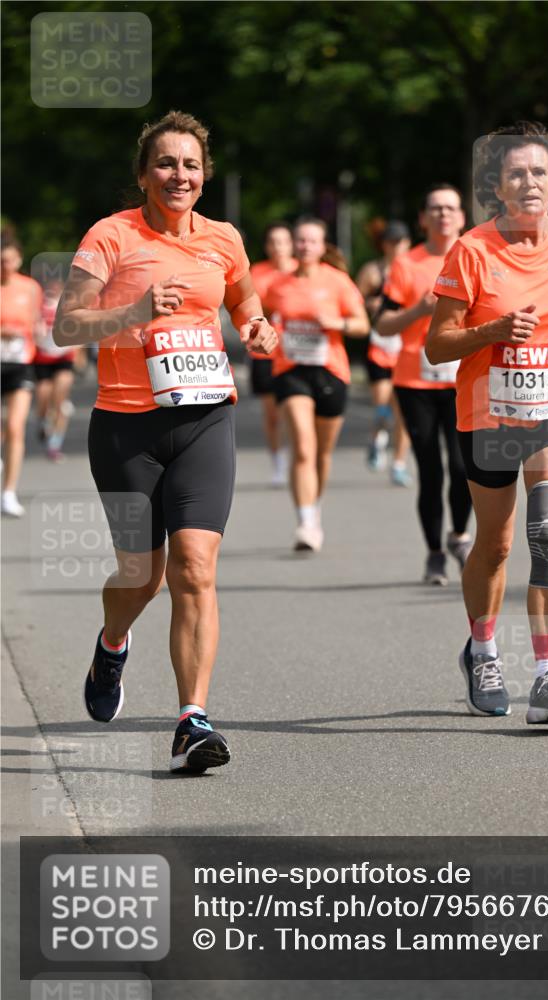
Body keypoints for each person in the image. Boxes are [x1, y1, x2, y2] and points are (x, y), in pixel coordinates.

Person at [53, 110, 277, 771]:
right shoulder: (111, 236)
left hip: (205, 417)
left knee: (194, 570)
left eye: (190, 165)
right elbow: (68, 326)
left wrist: (259, 329)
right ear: (144, 174)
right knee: (140, 575)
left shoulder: (224, 239)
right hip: (126, 426)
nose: (178, 175)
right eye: (165, 164)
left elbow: (246, 303)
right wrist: (137, 311)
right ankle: (112, 644)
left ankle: (192, 719)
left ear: (204, 176)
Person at [426, 121, 548, 724]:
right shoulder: (473, 250)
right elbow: (437, 344)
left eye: (539, 172)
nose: (529, 182)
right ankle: (482, 650)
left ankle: (547, 678)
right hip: (490, 411)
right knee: (497, 541)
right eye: (516, 174)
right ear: (498, 189)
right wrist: (491, 332)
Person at [376, 185, 473, 586]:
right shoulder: (407, 264)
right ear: (422, 218)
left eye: (450, 208)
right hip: (415, 380)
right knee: (430, 469)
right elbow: (382, 325)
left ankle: (460, 536)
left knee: (464, 465)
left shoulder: (476, 256)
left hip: (463, 378)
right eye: (434, 208)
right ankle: (434, 553)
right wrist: (419, 309)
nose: (443, 215)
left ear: (462, 216)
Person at [264, 218, 370, 552]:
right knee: (304, 447)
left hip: (330, 372)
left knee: (322, 455)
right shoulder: (277, 284)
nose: (305, 246)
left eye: (311, 241)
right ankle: (305, 522)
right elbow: (264, 316)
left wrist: (336, 322)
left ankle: (314, 505)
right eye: (300, 241)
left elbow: (362, 325)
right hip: (291, 370)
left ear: (323, 247)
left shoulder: (337, 282)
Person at [356, 219, 412, 485]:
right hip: (381, 345)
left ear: (407, 243)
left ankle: (399, 463)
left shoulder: (414, 269)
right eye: (391, 242)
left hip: (408, 347)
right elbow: (354, 301)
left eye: (400, 241)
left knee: (403, 410)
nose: (396, 247)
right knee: (383, 406)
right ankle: (377, 439)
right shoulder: (373, 271)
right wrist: (371, 303)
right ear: (384, 245)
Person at [249, 222, 297, 486]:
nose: (278, 247)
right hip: (265, 353)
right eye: (273, 242)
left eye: (283, 241)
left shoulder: (301, 272)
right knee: (272, 414)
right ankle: (277, 461)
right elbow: (250, 308)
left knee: (294, 409)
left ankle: (295, 458)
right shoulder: (258, 273)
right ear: (267, 246)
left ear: (291, 244)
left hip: (294, 353)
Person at [1, 232, 42, 517]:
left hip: (21, 363)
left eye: (10, 261)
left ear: (19, 260)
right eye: (1, 262)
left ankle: (9, 492)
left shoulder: (30, 288)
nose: (6, 267)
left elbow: (36, 323)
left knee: (16, 427)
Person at [33, 278, 81, 462]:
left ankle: (54, 444)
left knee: (60, 399)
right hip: (43, 358)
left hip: (64, 358)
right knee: (44, 396)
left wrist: (77, 354)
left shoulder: (70, 307)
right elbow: (31, 328)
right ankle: (43, 421)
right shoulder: (39, 307)